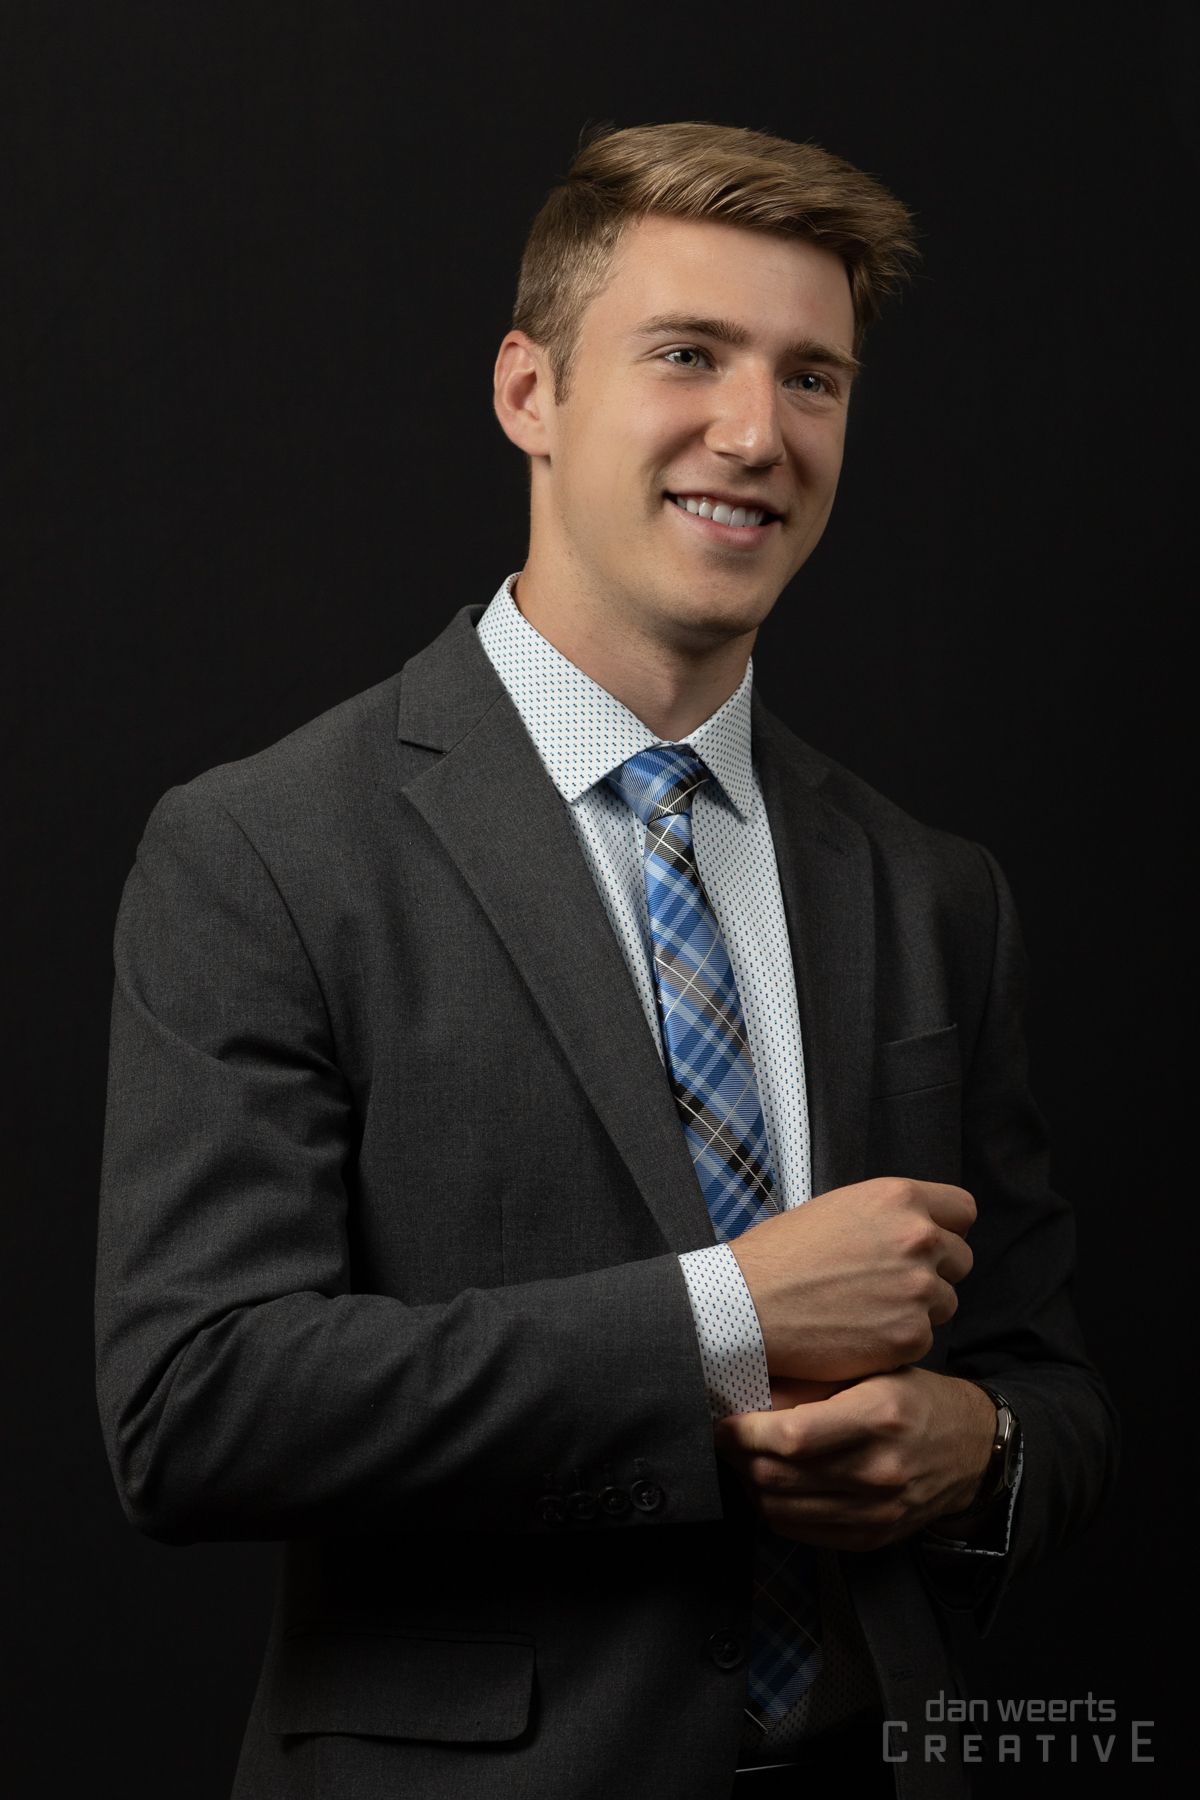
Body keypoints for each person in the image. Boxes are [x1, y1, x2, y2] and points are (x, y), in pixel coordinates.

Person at [94, 121, 1117, 1800]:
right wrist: (728, 1315)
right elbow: (196, 1403)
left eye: (813, 380)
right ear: (530, 394)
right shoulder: (264, 850)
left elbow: (1057, 1390)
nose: (755, 432)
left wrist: (976, 1450)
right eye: (689, 355)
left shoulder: (935, 891)